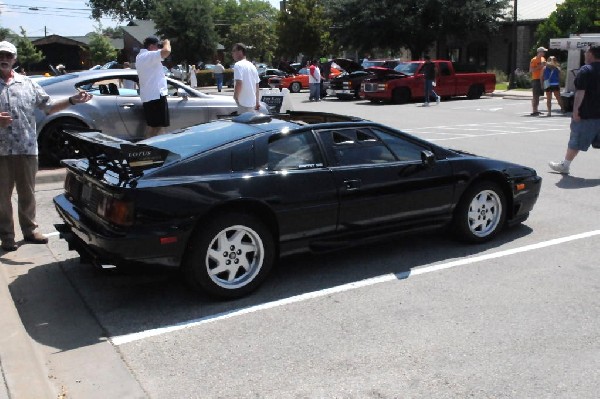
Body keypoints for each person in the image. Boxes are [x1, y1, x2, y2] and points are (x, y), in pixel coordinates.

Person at [0, 40, 92, 252]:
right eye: (0, 55)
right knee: (2, 196)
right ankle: (6, 235)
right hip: (1, 151)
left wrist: (73, 100)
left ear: (14, 60)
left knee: (28, 193)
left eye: (8, 56)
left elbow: (49, 107)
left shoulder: (28, 83)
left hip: (27, 147)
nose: (4, 59)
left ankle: (30, 230)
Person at [548, 46, 600, 174]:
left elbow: (580, 92)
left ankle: (565, 166)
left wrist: (576, 110)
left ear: (591, 54)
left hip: (587, 114)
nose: (584, 54)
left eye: (586, 52)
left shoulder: (586, 70)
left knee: (576, 141)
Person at [135, 36, 171, 138]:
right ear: (151, 46)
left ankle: (160, 147)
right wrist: (166, 42)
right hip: (155, 95)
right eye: (157, 46)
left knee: (157, 126)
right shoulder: (148, 55)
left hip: (151, 95)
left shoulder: (141, 57)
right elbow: (166, 51)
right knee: (155, 127)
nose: (159, 48)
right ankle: (148, 148)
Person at [231, 43, 260, 113]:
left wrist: (235, 97)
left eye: (234, 51)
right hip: (252, 103)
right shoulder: (252, 66)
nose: (232, 53)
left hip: (242, 103)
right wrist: (257, 101)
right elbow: (257, 85)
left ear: (240, 51)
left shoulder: (238, 65)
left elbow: (239, 83)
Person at [529, 46, 547, 116]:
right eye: (543, 51)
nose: (544, 53)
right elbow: (531, 70)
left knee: (539, 95)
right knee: (535, 95)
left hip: (542, 78)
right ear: (539, 52)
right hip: (536, 79)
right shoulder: (534, 60)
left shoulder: (543, 59)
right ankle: (534, 110)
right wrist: (540, 67)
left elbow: (544, 67)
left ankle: (536, 110)